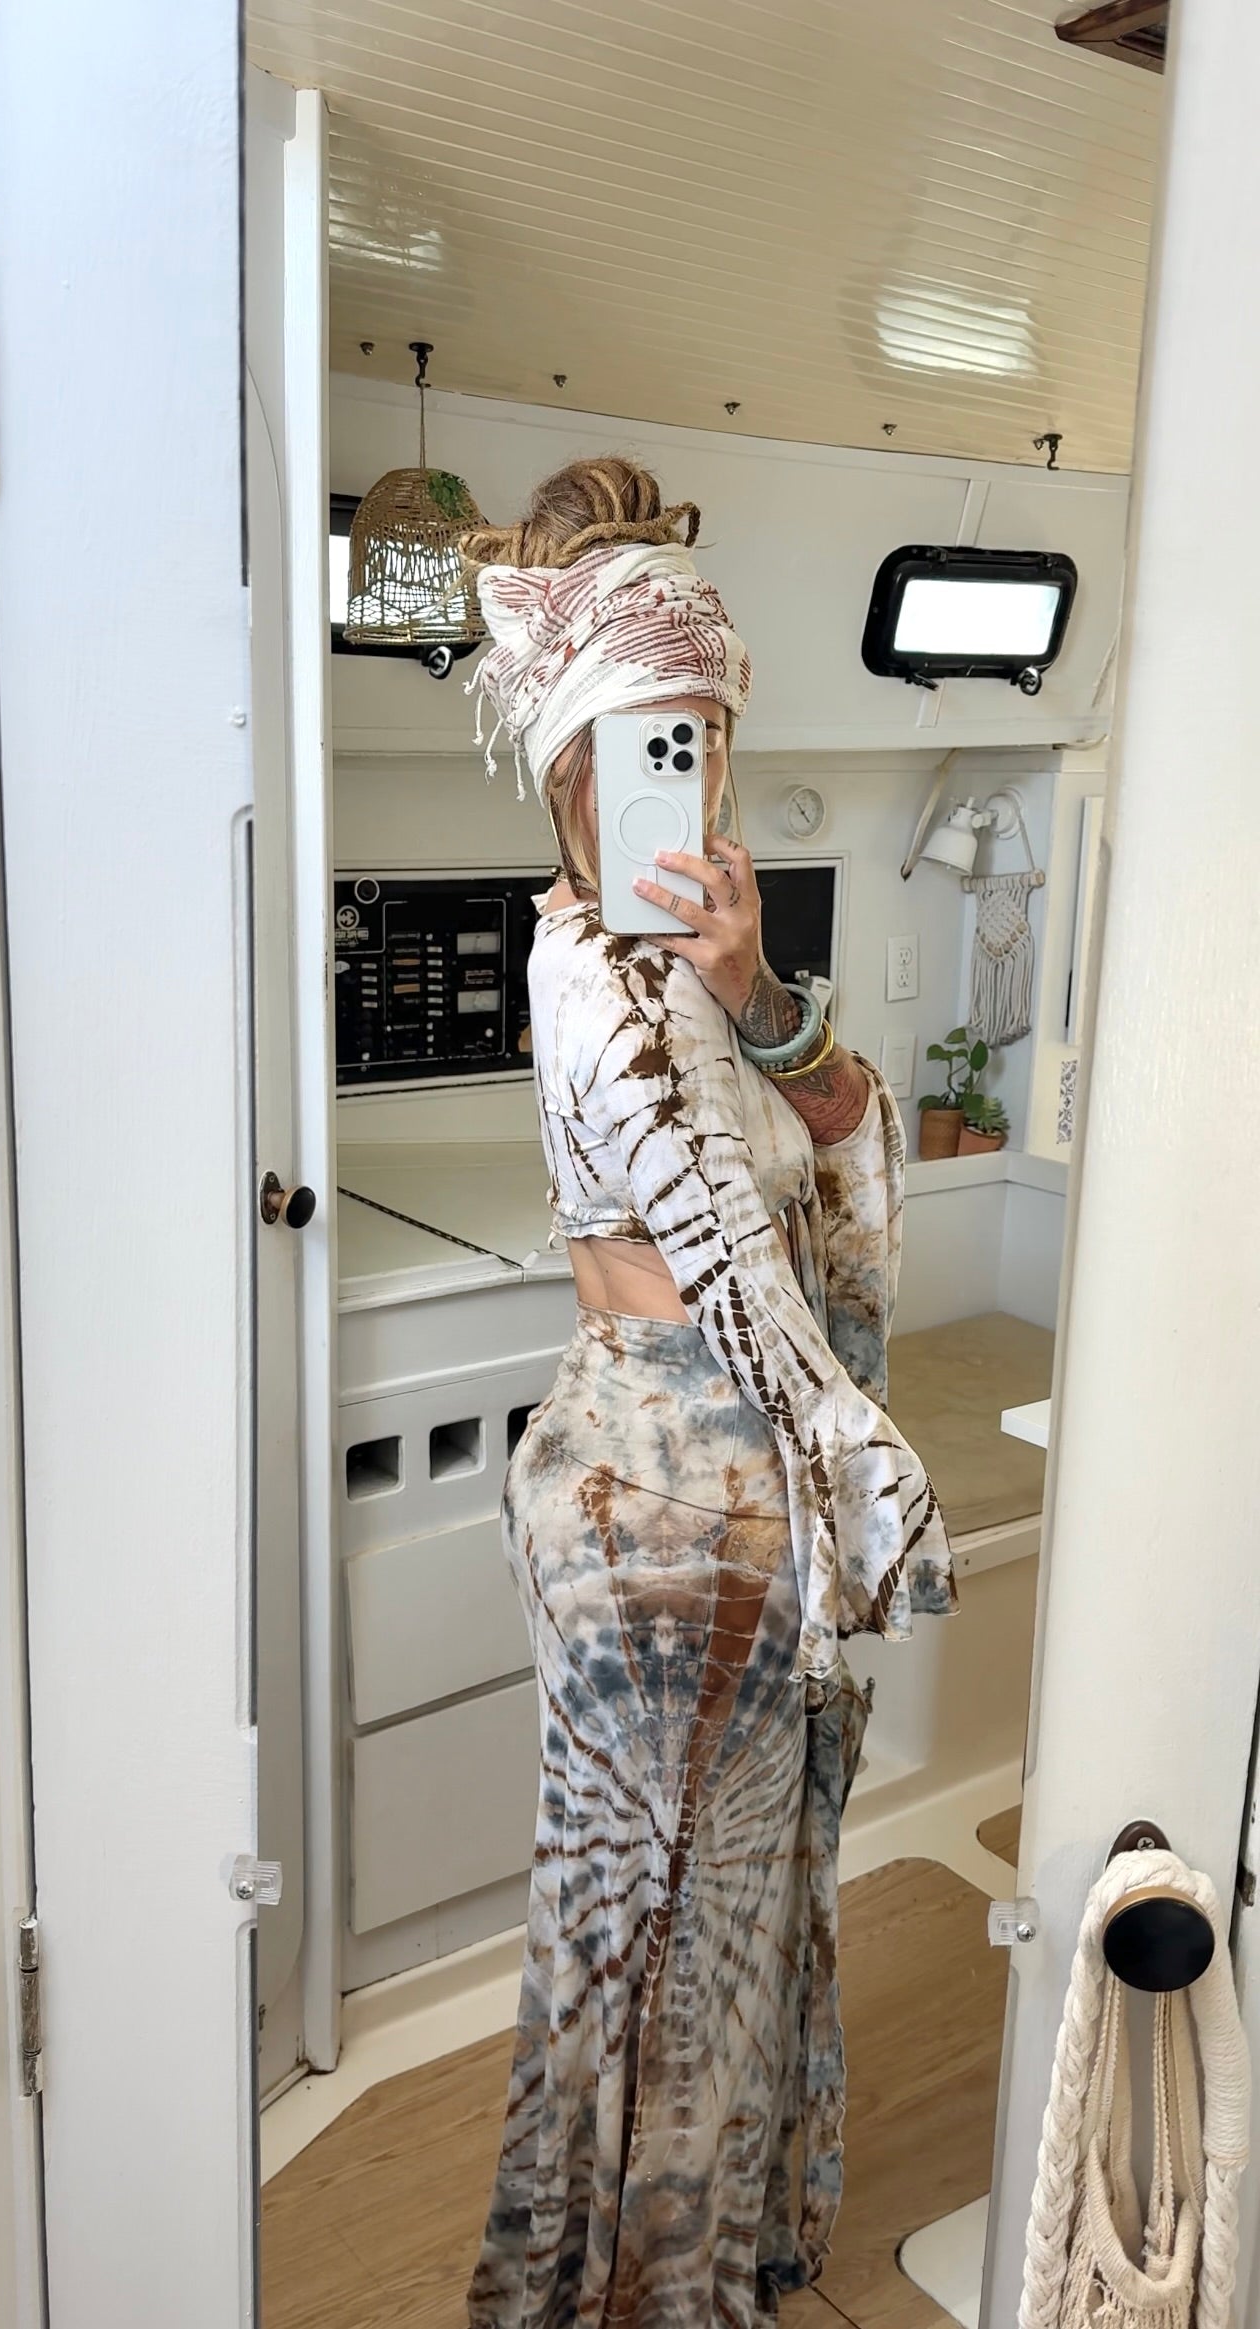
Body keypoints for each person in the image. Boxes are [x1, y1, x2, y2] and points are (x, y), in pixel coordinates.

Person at [459, 458, 955, 2329]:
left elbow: (851, 1124)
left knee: (719, 1936)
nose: (692, 768)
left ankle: (713, 2258)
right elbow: (732, 1253)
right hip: (663, 1532)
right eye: (650, 738)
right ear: (574, 764)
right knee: (662, 1954)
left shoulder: (703, 967)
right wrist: (852, 1453)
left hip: (726, 1507)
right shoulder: (586, 971)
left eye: (708, 733)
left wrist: (759, 991)